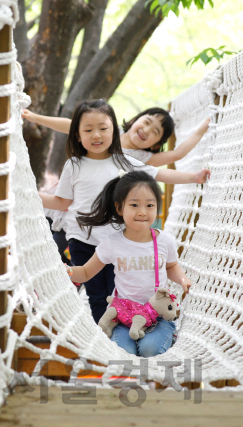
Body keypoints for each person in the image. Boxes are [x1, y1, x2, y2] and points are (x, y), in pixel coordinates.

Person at [39, 99, 208, 324]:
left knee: (115, 294)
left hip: (115, 242)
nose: (96, 135)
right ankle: (104, 338)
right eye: (88, 130)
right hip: (82, 240)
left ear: (113, 131)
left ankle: (122, 334)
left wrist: (194, 178)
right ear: (78, 135)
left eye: (103, 129)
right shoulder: (74, 165)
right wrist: (31, 195)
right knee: (96, 295)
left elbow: (160, 175)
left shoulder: (123, 162)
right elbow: (61, 202)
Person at [65, 171, 193, 356]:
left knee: (150, 349)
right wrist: (66, 271)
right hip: (124, 317)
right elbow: (85, 272)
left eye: (149, 205)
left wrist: (183, 279)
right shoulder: (112, 244)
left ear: (157, 207)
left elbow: (171, 267)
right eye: (134, 205)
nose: (142, 212)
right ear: (119, 208)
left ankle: (164, 339)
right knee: (123, 352)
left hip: (157, 316)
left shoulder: (165, 241)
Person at [23, 107, 211, 167]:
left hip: (93, 208)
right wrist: (35, 118)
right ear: (135, 120)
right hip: (74, 186)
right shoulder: (110, 132)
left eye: (155, 132)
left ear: (155, 145)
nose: (146, 130)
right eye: (146, 122)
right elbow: (74, 127)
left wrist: (202, 129)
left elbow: (177, 154)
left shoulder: (145, 158)